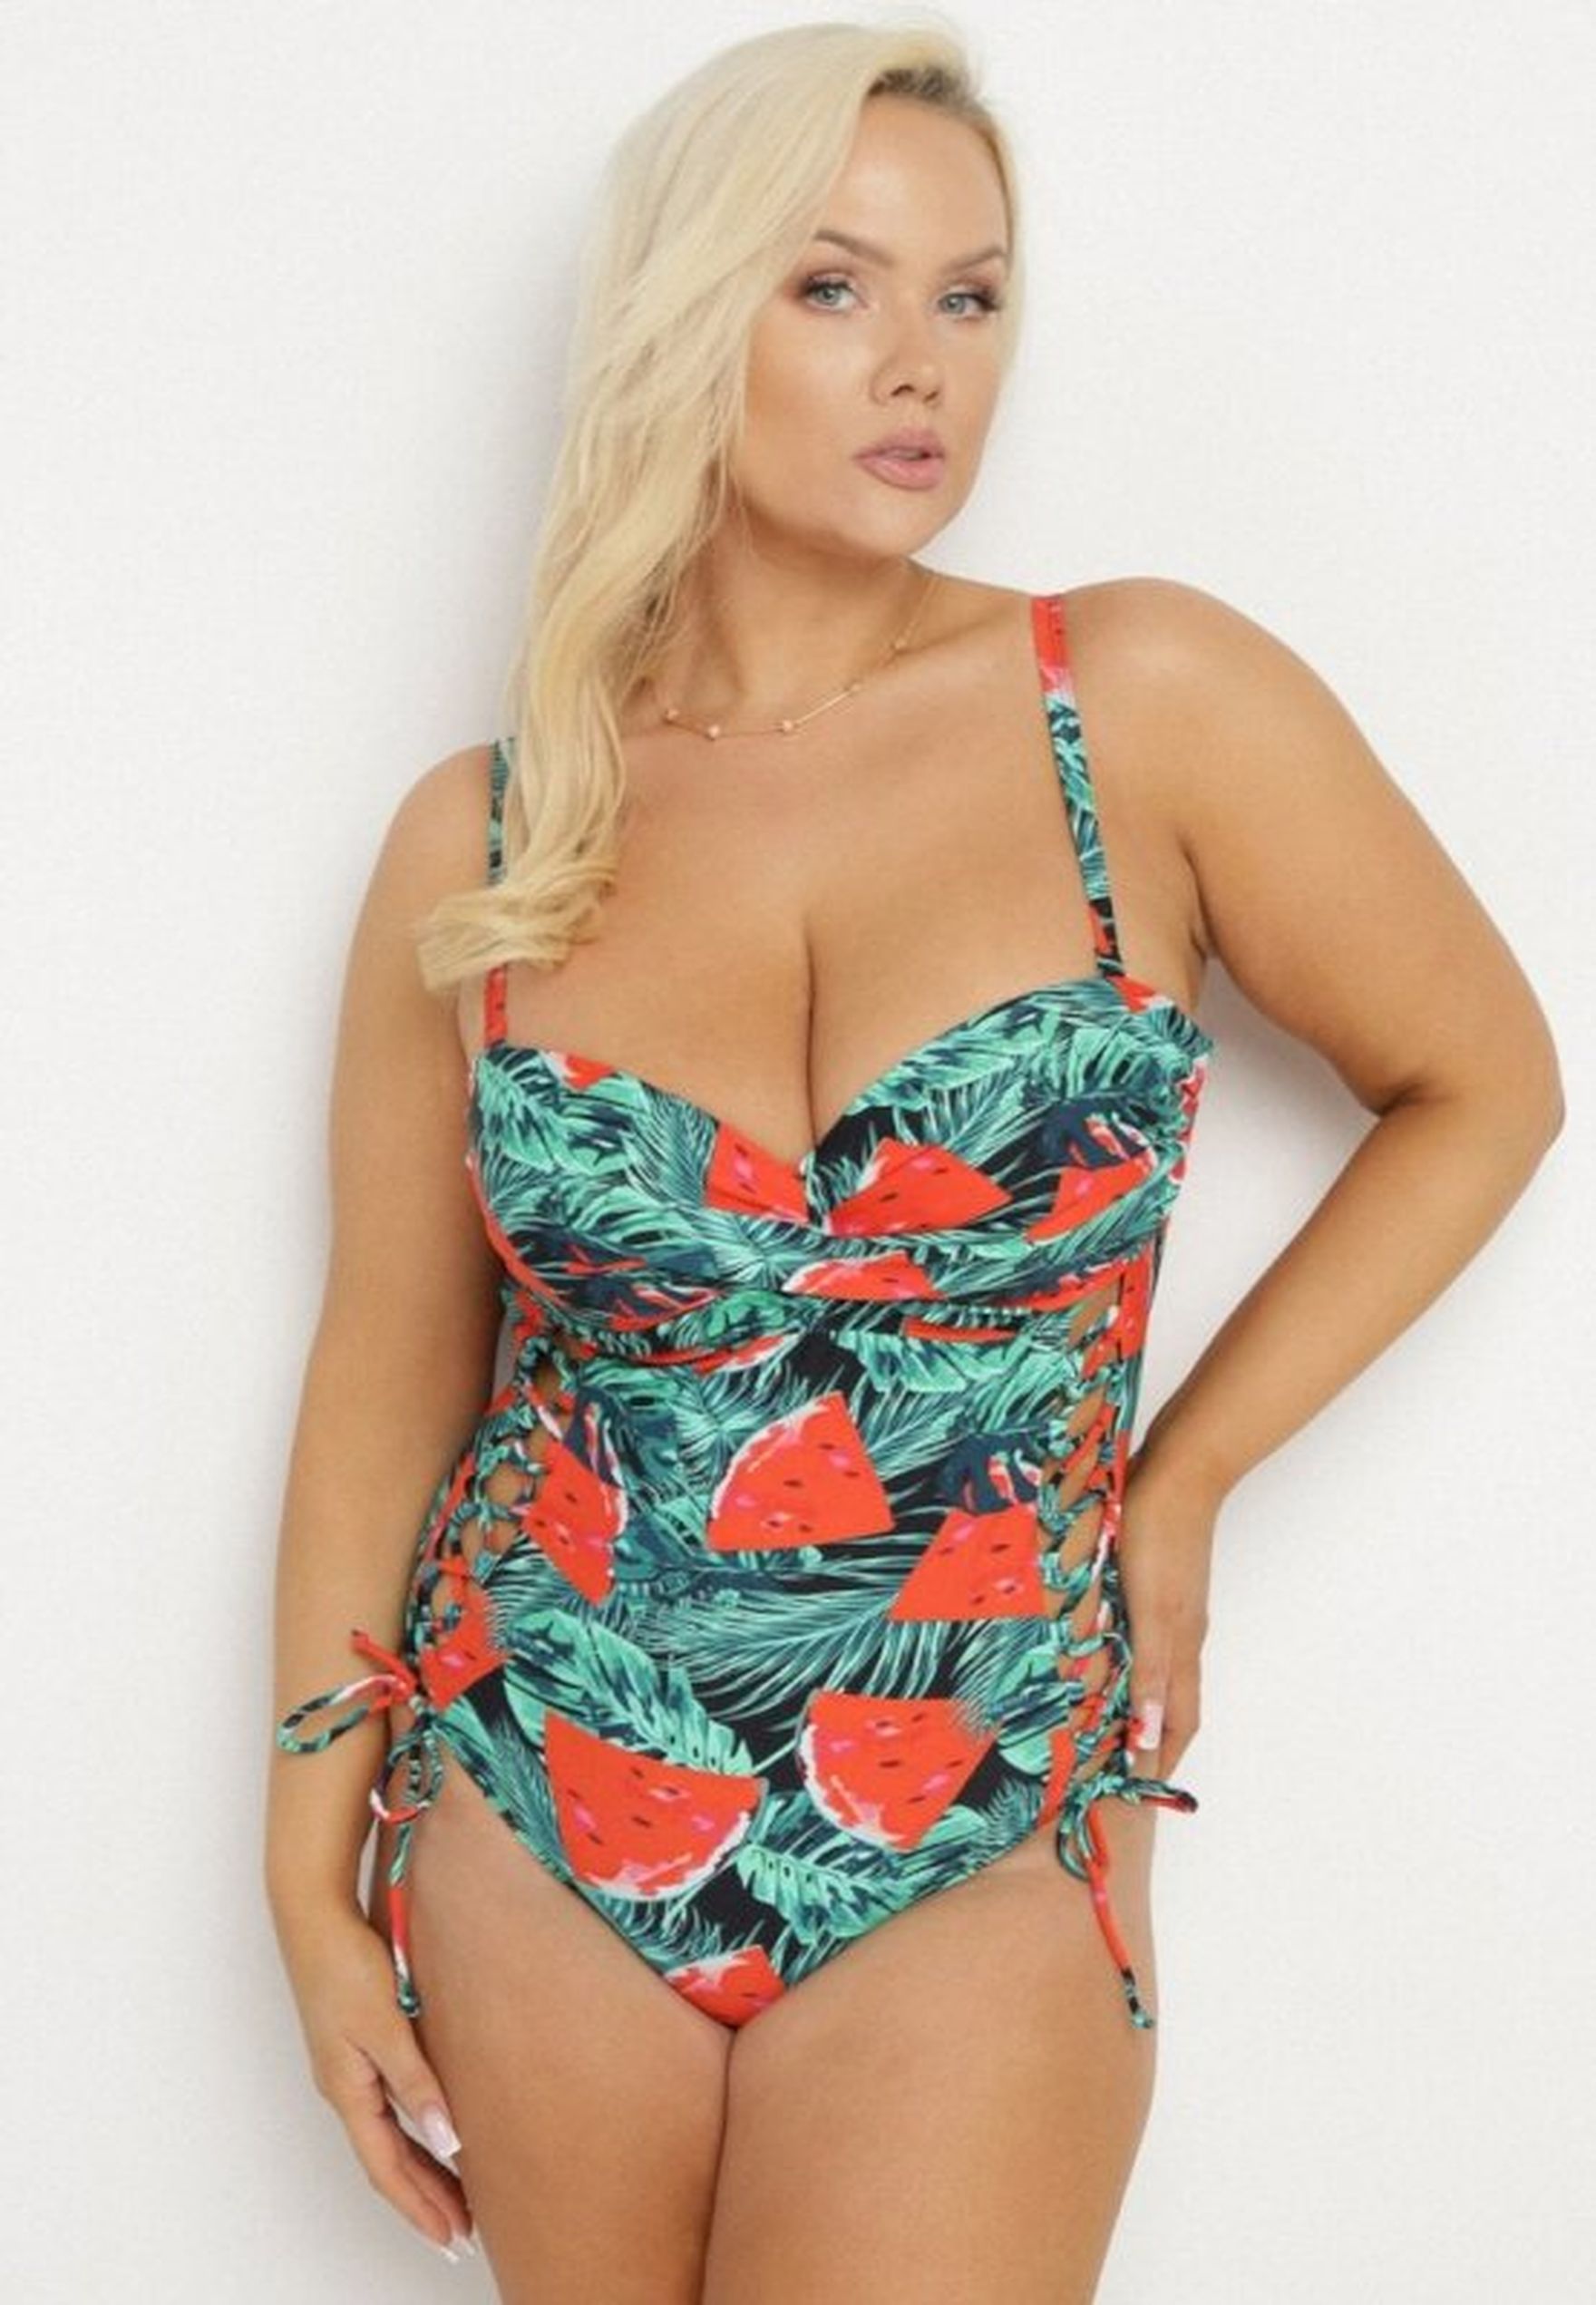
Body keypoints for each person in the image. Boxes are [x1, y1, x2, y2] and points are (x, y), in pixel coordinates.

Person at [263, 19, 1563, 2300]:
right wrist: (302, 1864)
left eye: (971, 295)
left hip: (985, 1786)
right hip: (538, 1777)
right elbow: (390, 1359)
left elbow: (1486, 1081)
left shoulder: (1136, 701)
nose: (921, 364)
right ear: (685, 318)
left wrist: (1181, 1482)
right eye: (833, 285)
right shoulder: (486, 839)